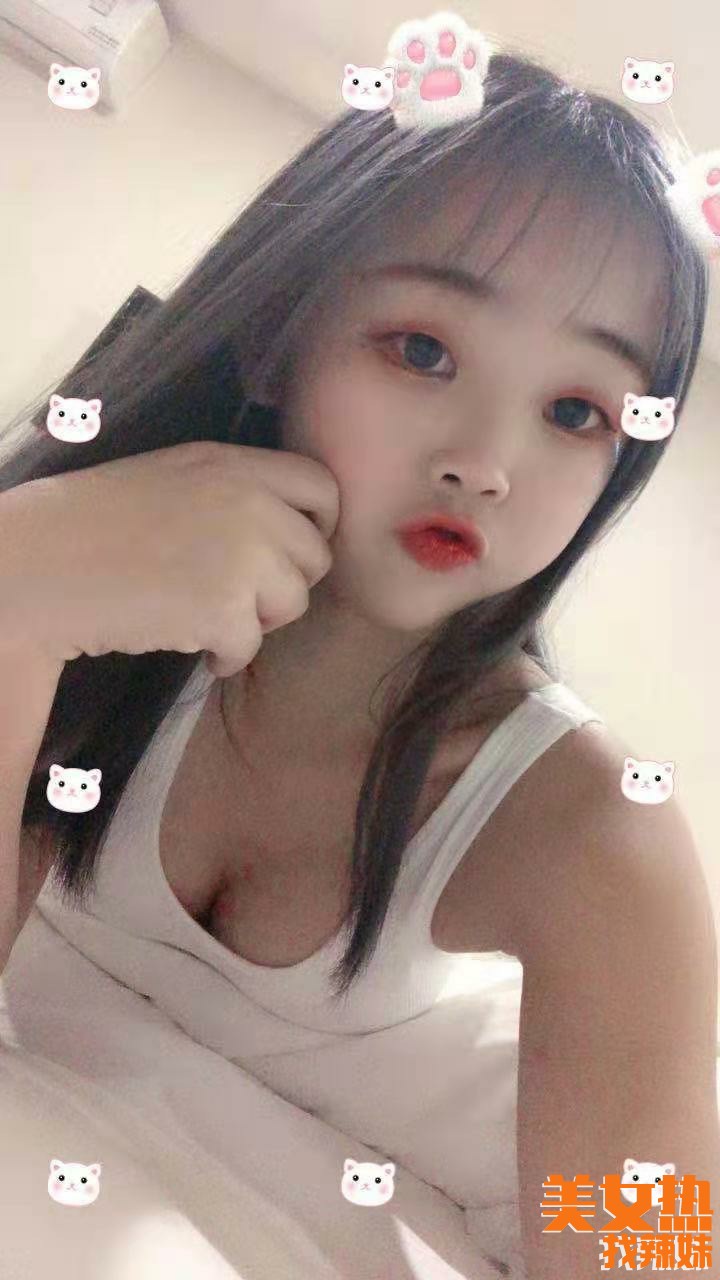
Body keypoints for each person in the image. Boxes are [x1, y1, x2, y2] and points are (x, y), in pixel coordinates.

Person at [0, 31, 718, 1280]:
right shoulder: (109, 577)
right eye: (423, 349)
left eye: (576, 411)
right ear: (277, 339)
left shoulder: (602, 830)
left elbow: (651, 1246)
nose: (484, 462)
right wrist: (19, 592)